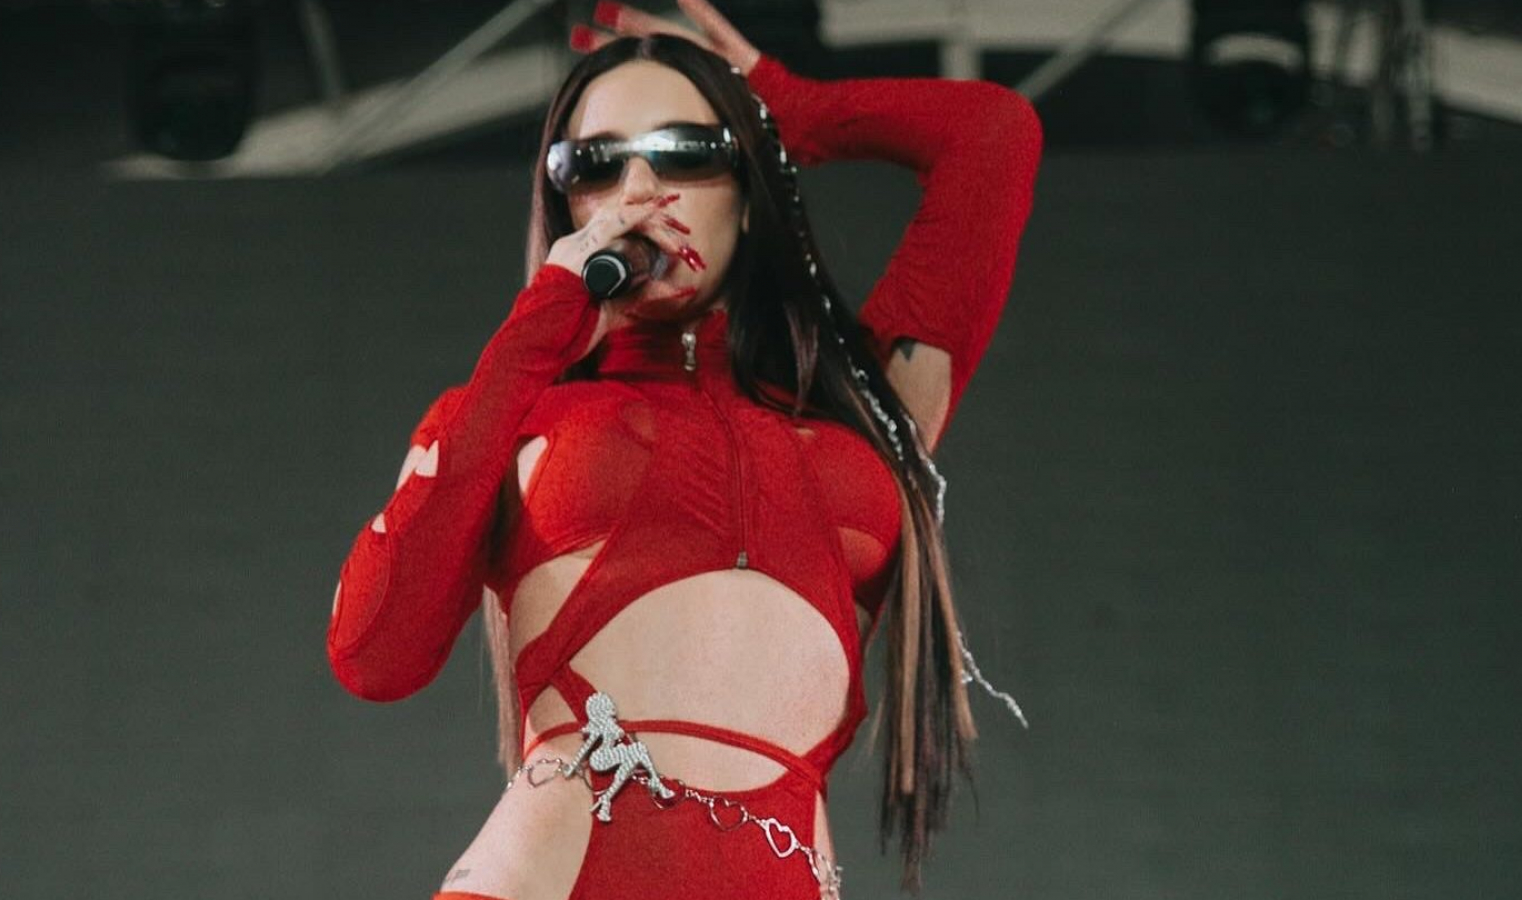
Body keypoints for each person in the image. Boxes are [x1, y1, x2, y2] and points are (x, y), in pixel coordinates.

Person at [325, 1, 1043, 897]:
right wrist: (544, 323)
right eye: (596, 163)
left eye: (686, 153)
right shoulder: (515, 408)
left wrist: (791, 106)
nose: (639, 188)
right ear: (566, 202)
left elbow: (994, 134)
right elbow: (374, 654)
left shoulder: (869, 405)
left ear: (747, 186)